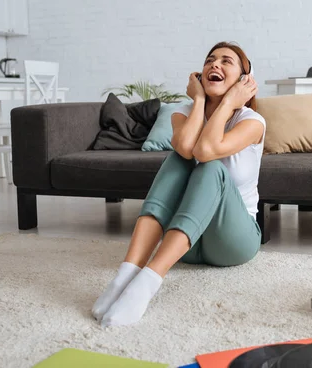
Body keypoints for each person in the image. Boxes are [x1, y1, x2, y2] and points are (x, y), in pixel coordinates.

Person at [92, 41, 266, 327]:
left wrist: (230, 104)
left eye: (226, 61)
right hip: (188, 245)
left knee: (210, 168)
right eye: (210, 60)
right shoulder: (183, 111)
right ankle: (126, 273)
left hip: (234, 241)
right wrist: (199, 101)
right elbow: (186, 148)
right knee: (177, 157)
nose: (215, 65)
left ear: (244, 80)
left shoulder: (251, 121)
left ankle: (148, 282)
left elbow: (206, 151)